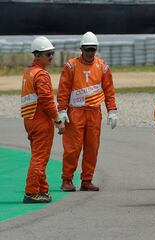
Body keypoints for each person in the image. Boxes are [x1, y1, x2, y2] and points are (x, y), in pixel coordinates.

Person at [57, 31, 118, 192]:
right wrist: (62, 110)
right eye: (87, 49)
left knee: (92, 147)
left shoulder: (102, 67)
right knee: (72, 147)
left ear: (96, 49)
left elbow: (109, 90)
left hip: (94, 112)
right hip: (75, 112)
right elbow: (63, 90)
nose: (90, 53)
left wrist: (112, 110)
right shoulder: (71, 66)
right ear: (81, 49)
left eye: (92, 49)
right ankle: (67, 179)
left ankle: (87, 179)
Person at [21, 36, 65, 203]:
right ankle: (31, 192)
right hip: (40, 121)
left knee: (38, 156)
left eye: (52, 53)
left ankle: (41, 189)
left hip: (29, 119)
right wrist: (58, 120)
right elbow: (47, 100)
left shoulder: (28, 73)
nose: (51, 57)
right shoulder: (41, 75)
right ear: (37, 55)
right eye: (48, 54)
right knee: (40, 158)